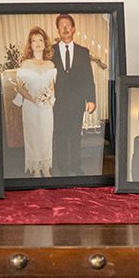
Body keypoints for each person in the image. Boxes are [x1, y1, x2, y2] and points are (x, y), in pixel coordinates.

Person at [50, 13, 97, 176]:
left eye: (67, 25)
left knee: (75, 135)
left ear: (73, 29)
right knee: (61, 134)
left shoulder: (83, 51)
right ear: (57, 30)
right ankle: (62, 167)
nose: (64, 28)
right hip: (58, 102)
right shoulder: (50, 51)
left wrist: (91, 99)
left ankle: (76, 166)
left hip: (77, 101)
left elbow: (88, 77)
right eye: (61, 26)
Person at [12, 27, 56, 177]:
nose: (37, 43)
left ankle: (45, 167)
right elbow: (20, 87)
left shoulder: (50, 64)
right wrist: (34, 100)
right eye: (34, 40)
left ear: (45, 43)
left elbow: (51, 86)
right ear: (30, 44)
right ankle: (36, 169)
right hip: (31, 105)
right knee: (33, 136)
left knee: (46, 135)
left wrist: (48, 98)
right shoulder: (26, 64)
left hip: (46, 107)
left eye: (40, 40)